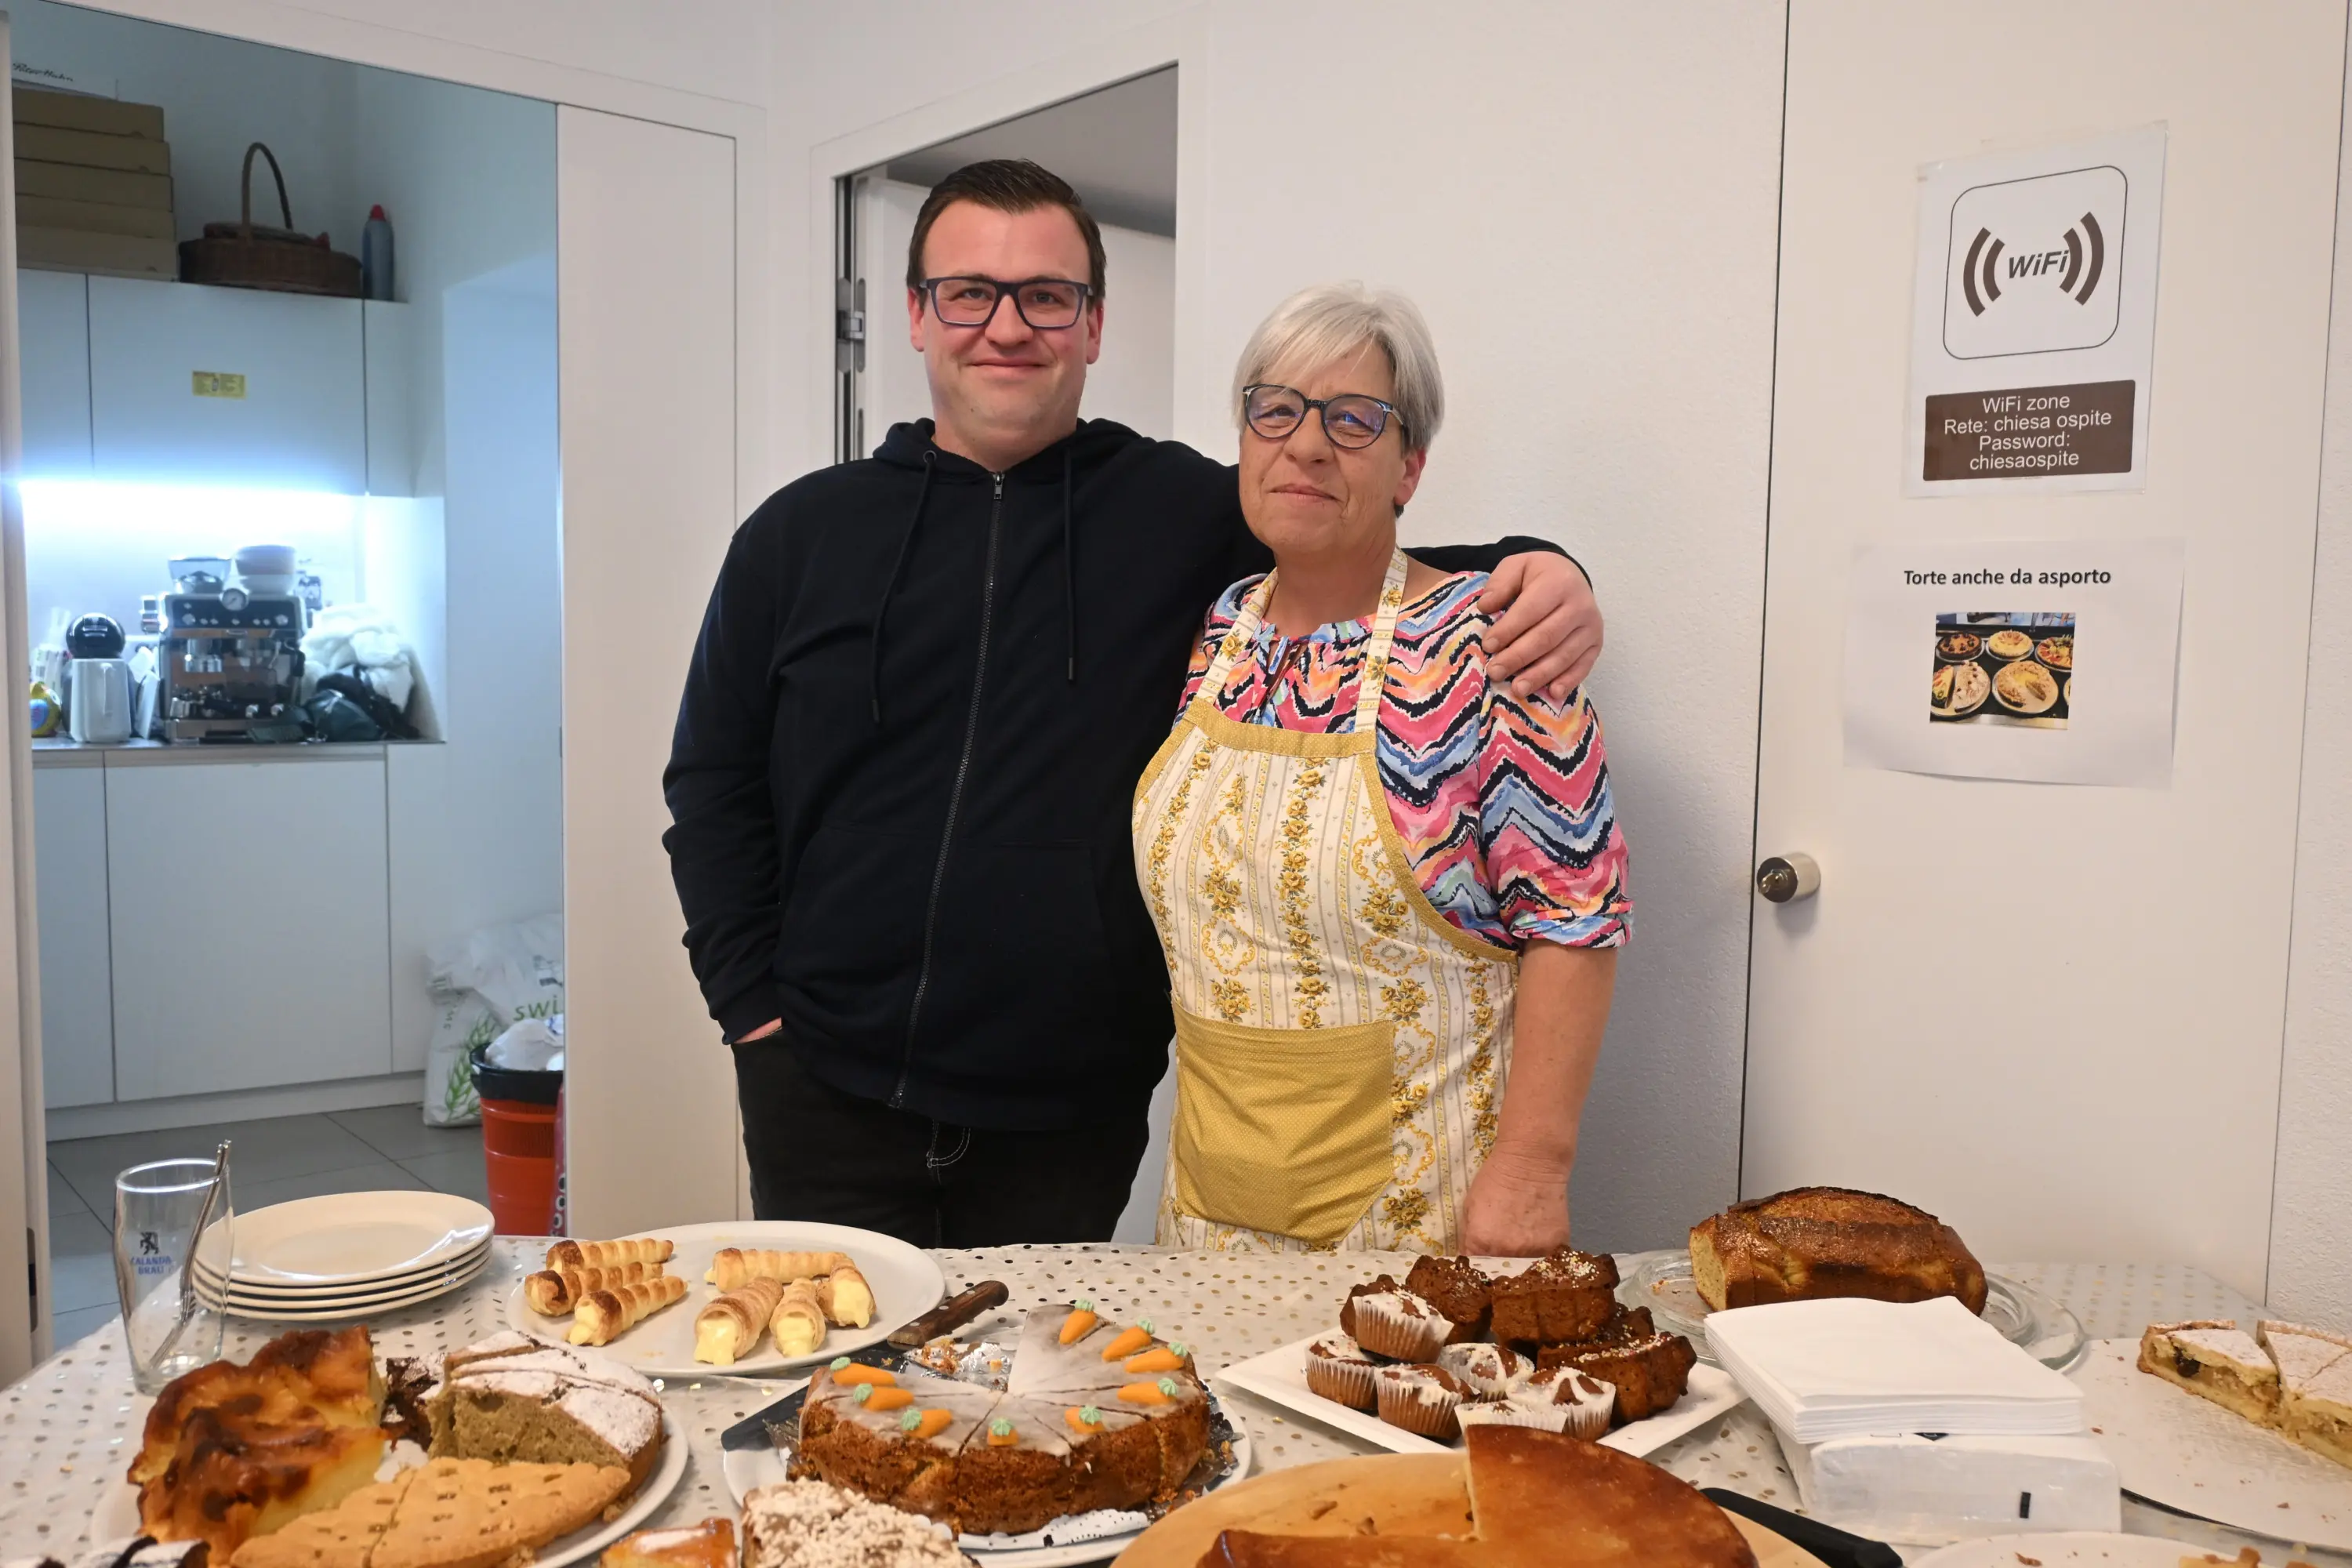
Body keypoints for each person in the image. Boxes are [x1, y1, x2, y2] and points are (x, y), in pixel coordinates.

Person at [663, 159, 1606, 1249]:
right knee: (838, 1357)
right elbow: (711, 782)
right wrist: (753, 1012)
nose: (1006, 326)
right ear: (918, 315)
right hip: (822, 1091)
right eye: (969, 293)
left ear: (1094, 324)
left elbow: (1346, 529)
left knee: (1035, 1367)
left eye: (1045, 296)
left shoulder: (1184, 513)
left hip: (1068, 1116)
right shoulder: (796, 537)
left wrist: (1547, 565)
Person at [1138, 281, 1630, 1256]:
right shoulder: (1221, 631)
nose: (1307, 445)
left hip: (1419, 1224)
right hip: (1207, 1217)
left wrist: (1533, 1172)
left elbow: (1575, 920)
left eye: (1354, 419)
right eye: (1275, 409)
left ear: (1410, 466)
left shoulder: (1495, 648)